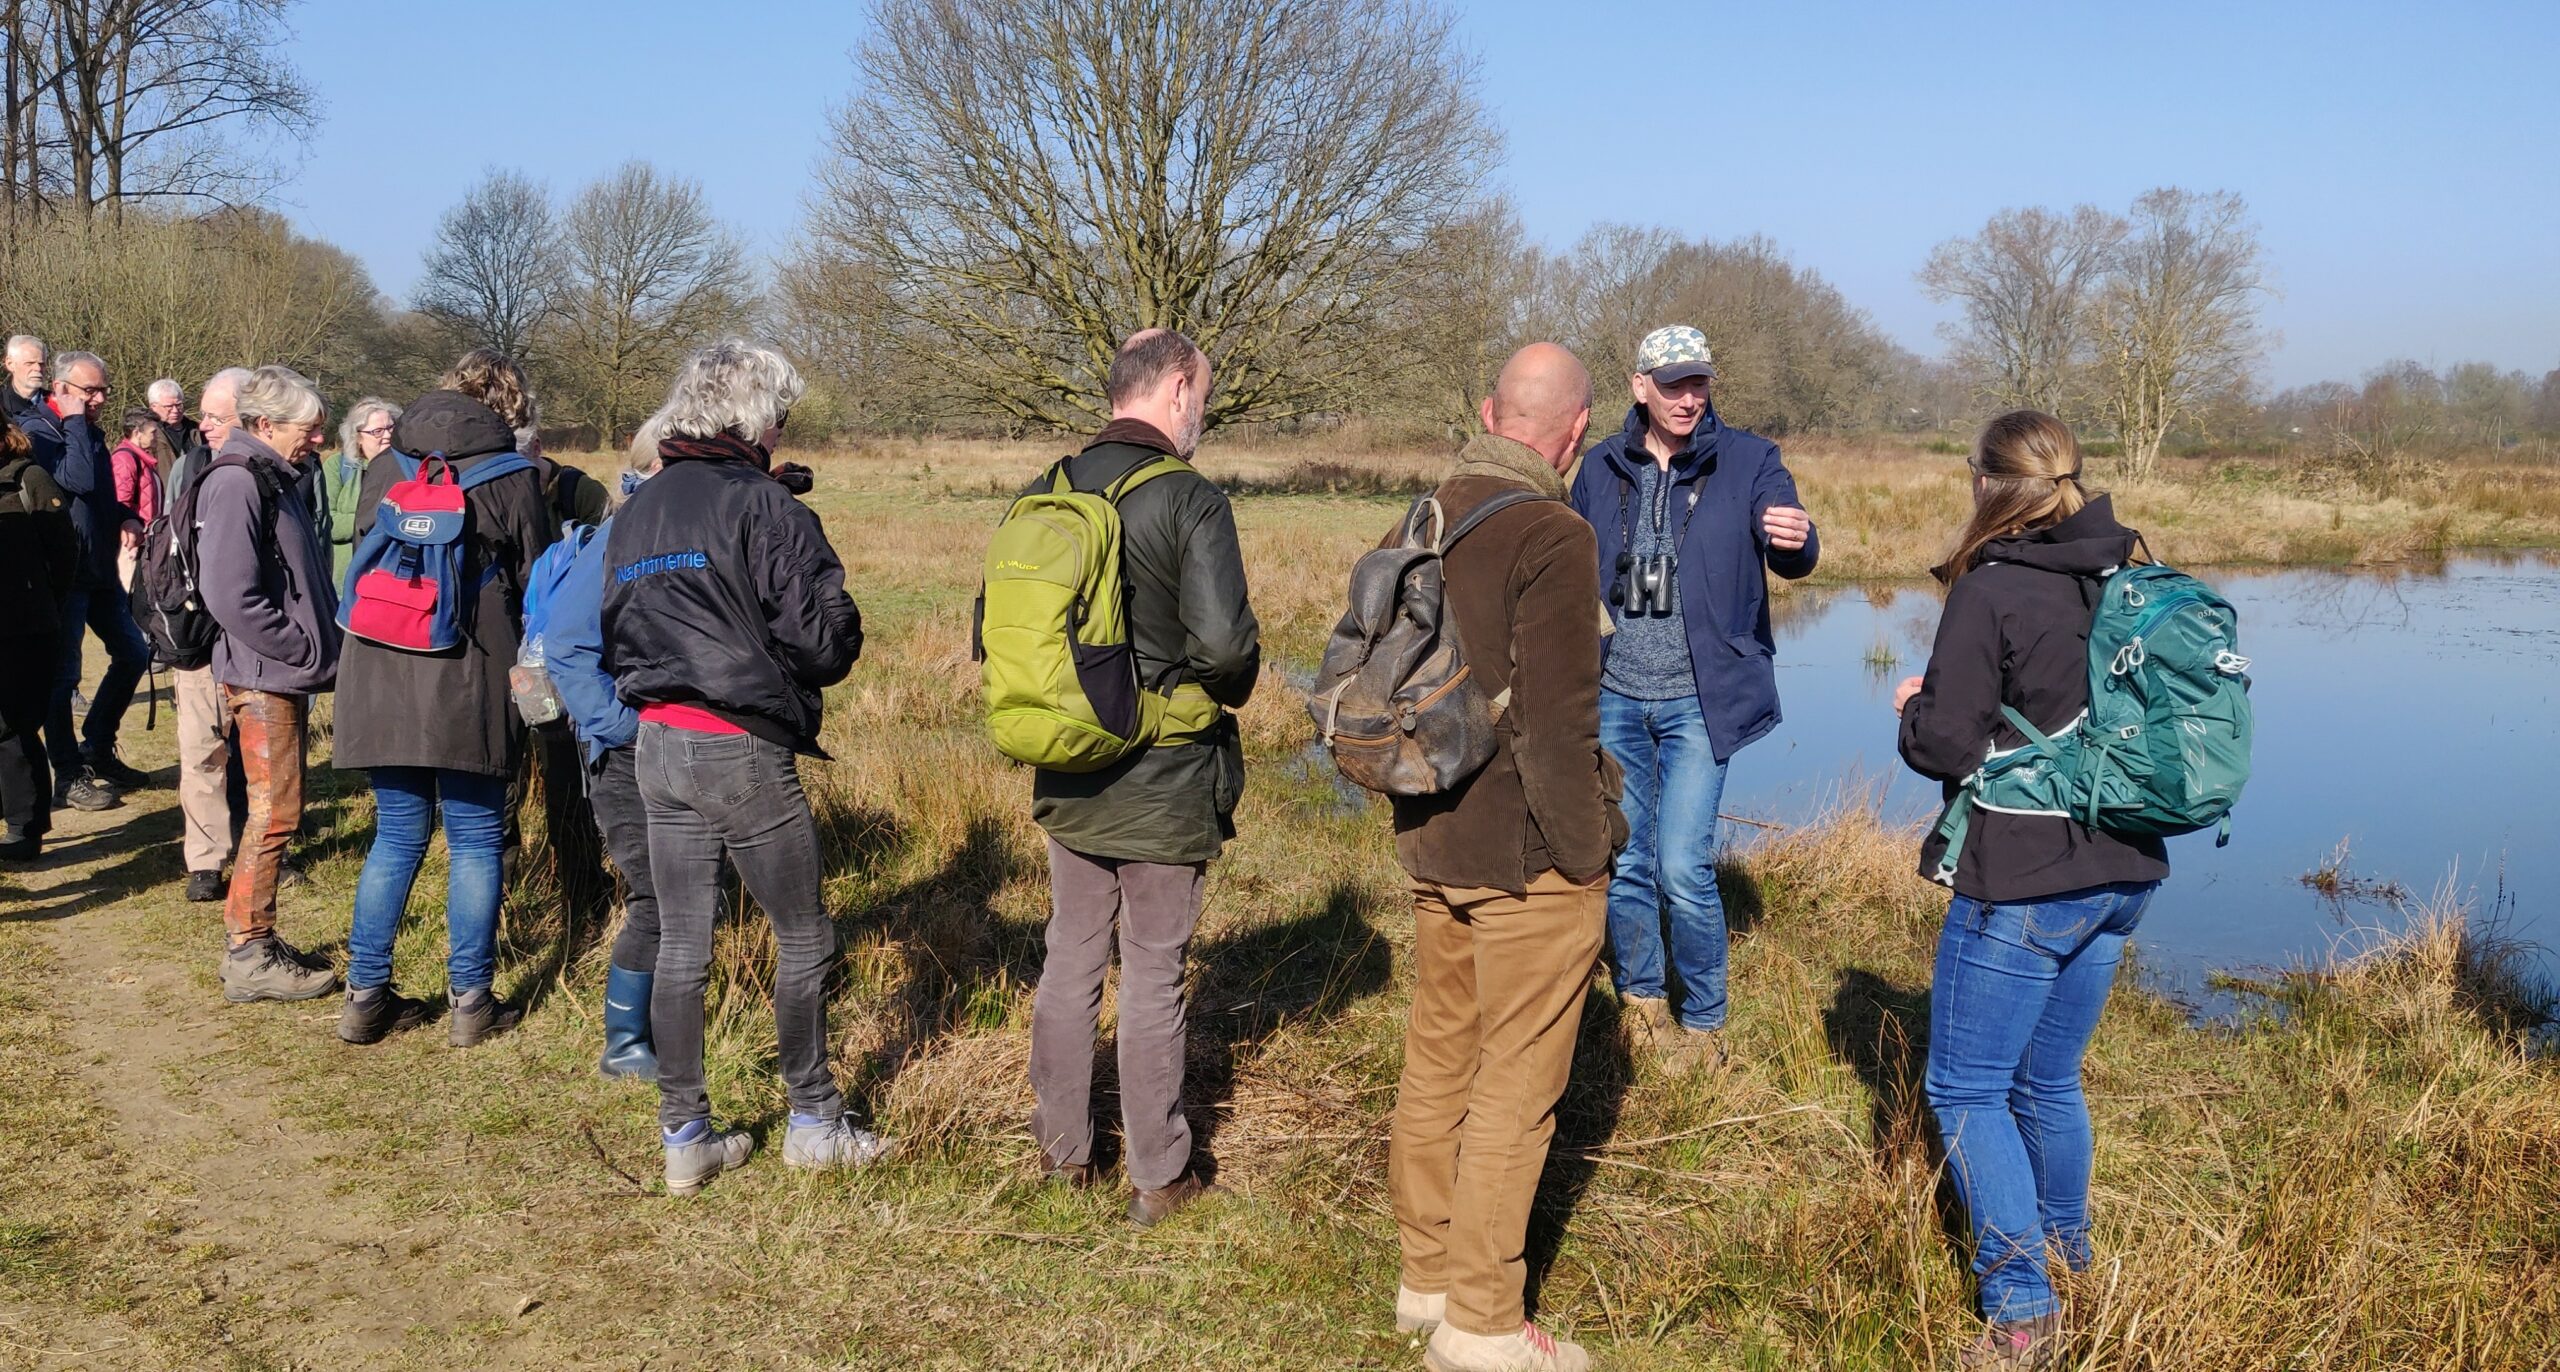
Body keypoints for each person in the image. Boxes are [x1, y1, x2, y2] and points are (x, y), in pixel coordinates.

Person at [1893, 410, 2168, 1369]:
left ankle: (2023, 1316)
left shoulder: (1995, 588)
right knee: (2046, 1079)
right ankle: (2069, 1259)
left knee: (1964, 1087)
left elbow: (1946, 743)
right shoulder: (2129, 570)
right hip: (2123, 869)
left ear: (1987, 487)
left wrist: (1915, 710)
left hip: (2027, 880)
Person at [1384, 344, 1625, 1372]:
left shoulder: (1422, 516)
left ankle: (1425, 1279)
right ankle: (1482, 1324)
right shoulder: (1553, 534)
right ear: (1575, 432)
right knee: (1514, 1092)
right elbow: (1558, 727)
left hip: (1431, 838)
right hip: (1526, 861)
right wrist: (1590, 856)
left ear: (1488, 410)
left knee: (1439, 1057)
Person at [602, 339, 880, 1194]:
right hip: (739, 749)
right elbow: (824, 645)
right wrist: (824, 579)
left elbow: (617, 626)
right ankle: (814, 1118)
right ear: (759, 419)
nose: (784, 429)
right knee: (804, 934)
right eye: (782, 414)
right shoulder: (764, 506)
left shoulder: (638, 506)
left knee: (685, 940)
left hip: (654, 743)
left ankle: (685, 1134)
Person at [1021, 329, 1260, 1226]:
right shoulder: (1191, 501)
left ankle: (1063, 1156)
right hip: (1163, 773)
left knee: (1071, 955)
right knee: (1154, 972)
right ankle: (1160, 1176)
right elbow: (1227, 652)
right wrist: (1222, 683)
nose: (1203, 410)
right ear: (1175, 388)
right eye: (1202, 392)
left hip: (1070, 766)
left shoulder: (1047, 489)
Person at [1566, 324, 1818, 1071]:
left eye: (1698, 382)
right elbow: (1575, 569)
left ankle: (1704, 1021)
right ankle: (1643, 1004)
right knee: (1628, 860)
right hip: (1616, 696)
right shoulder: (1600, 467)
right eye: (1673, 382)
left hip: (1697, 701)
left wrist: (1797, 538)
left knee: (1682, 865)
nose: (1687, 396)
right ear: (1640, 386)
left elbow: (1795, 549)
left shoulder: (1749, 460)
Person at [331, 387, 558, 1047]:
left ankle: (365, 996)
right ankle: (471, 1003)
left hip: (378, 668)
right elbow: (539, 581)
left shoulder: (388, 465)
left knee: (396, 838)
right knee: (477, 841)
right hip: (471, 671)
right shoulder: (513, 475)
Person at [195, 366, 342, 1004]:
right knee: (274, 812)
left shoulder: (269, 476)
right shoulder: (237, 482)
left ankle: (253, 942)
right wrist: (300, 646)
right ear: (263, 425)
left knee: (276, 808)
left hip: (277, 673)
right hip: (263, 675)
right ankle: (249, 953)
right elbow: (228, 592)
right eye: (307, 430)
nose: (317, 440)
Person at [544, 422, 662, 1079]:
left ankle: (662, 1029)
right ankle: (623, 1043)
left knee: (684, 893)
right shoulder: (621, 536)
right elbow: (566, 642)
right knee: (655, 896)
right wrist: (617, 727)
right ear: (646, 469)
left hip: (674, 745)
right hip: (623, 752)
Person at [21, 350, 152, 808]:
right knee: (63, 677)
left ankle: (95, 746)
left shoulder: (89, 433)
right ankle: (68, 775)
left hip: (99, 571)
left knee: (135, 653)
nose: (98, 399)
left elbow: (95, 496)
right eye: (89, 391)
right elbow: (72, 480)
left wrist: (126, 515)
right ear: (60, 390)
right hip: (65, 576)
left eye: (103, 390)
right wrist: (75, 423)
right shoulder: (39, 433)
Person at [174, 367, 255, 903]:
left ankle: (263, 851)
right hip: (200, 631)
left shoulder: (285, 472)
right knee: (202, 749)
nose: (200, 425)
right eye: (201, 413)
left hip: (257, 635)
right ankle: (205, 861)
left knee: (259, 751)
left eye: (213, 416)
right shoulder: (188, 467)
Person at [0, 418, 80, 862]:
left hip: (26, 627)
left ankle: (25, 825)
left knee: (12, 725)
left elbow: (64, 551)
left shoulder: (28, 478)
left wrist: (41, 601)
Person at [321, 398, 400, 585]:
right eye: (377, 431)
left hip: (391, 576)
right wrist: (381, 517)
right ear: (357, 437)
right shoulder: (336, 467)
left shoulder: (405, 469)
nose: (387, 435)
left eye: (391, 427)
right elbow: (329, 524)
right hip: (346, 579)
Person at [109, 406, 169, 586]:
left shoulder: (142, 460)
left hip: (144, 540)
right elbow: (121, 502)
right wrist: (130, 539)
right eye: (152, 432)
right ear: (137, 433)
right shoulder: (125, 460)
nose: (156, 437)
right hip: (132, 544)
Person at [149, 378, 201, 460]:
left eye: (178, 405)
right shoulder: (147, 435)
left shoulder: (197, 430)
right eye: (169, 406)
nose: (175, 410)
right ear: (153, 407)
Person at [2, 335, 44, 425]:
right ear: (10, 364)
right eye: (30, 363)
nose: (38, 368)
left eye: (41, 364)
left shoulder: (60, 404)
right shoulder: (2, 405)